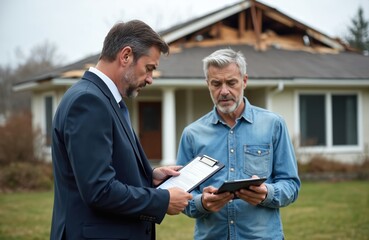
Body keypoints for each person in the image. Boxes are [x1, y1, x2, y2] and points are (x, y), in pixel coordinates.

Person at [50, 20, 192, 240]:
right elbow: (99, 190)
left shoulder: (105, 100)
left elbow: (106, 166)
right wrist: (162, 200)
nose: (150, 79)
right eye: (149, 68)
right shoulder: (89, 102)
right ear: (126, 56)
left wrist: (149, 176)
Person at [177, 48, 300, 239]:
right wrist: (202, 202)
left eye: (231, 82)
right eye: (216, 84)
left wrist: (268, 193)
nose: (224, 91)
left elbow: (291, 185)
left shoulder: (273, 125)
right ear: (207, 84)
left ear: (244, 81)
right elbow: (181, 195)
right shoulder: (192, 134)